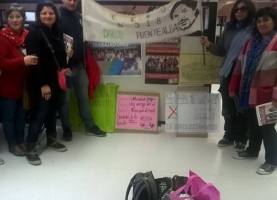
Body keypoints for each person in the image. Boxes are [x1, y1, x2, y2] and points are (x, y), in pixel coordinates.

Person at [200, 0, 256, 151]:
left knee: (242, 107)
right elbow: (221, 51)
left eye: (243, 9)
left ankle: (242, 137)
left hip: (246, 75)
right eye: (236, 9)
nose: (239, 11)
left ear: (250, 10)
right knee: (228, 107)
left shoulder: (255, 29)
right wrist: (208, 45)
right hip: (228, 72)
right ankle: (229, 135)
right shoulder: (229, 29)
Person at [230, 7, 277, 175]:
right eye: (258, 21)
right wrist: (233, 87)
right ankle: (252, 151)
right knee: (253, 124)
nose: (261, 23)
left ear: (274, 21)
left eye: (266, 19)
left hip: (268, 95)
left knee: (267, 127)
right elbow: (239, 65)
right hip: (249, 93)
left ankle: (272, 160)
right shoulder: (251, 42)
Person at [24, 1, 68, 165]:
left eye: (51, 13)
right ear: (38, 15)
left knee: (52, 111)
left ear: (55, 15)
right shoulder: (34, 34)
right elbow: (34, 63)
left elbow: (59, 57)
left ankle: (51, 139)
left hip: (56, 81)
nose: (48, 16)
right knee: (40, 113)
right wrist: (43, 84)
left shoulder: (57, 32)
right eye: (44, 13)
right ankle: (30, 148)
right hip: (42, 82)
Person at [59, 0, 106, 141]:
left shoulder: (79, 17)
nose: (72, 2)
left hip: (80, 65)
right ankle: (66, 129)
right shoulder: (56, 17)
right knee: (64, 102)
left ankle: (89, 126)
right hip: (64, 68)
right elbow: (53, 42)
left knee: (84, 98)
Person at [0, 3, 38, 157]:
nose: (15, 20)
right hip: (8, 85)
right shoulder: (2, 38)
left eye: (18, 16)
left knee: (22, 115)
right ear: (6, 19)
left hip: (25, 85)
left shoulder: (28, 36)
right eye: (11, 17)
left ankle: (21, 141)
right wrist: (23, 61)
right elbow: (2, 63)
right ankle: (12, 144)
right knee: (9, 116)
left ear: (23, 18)